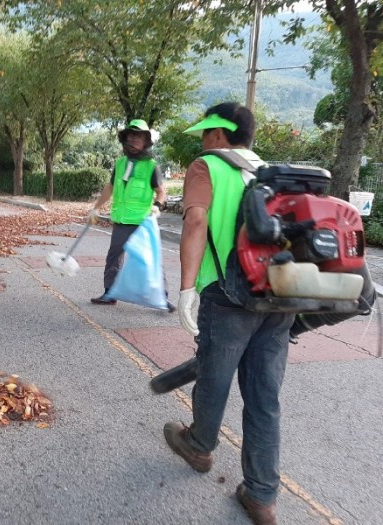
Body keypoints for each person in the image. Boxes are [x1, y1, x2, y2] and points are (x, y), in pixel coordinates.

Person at [163, 102, 291, 525]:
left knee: (214, 378)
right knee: (263, 396)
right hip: (278, 296)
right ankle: (262, 496)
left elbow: (196, 223)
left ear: (219, 134)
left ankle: (199, 445)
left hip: (228, 293)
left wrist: (185, 288)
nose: (202, 140)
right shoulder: (274, 172)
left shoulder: (207, 166)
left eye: (205, 133)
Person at [88, 119, 168, 306]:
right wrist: (96, 207)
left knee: (150, 259)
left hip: (143, 221)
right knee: (114, 257)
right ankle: (109, 293)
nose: (133, 140)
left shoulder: (151, 166)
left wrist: (157, 205)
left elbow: (161, 191)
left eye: (138, 136)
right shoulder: (120, 164)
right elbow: (110, 188)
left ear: (146, 141)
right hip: (122, 221)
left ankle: (163, 296)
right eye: (130, 136)